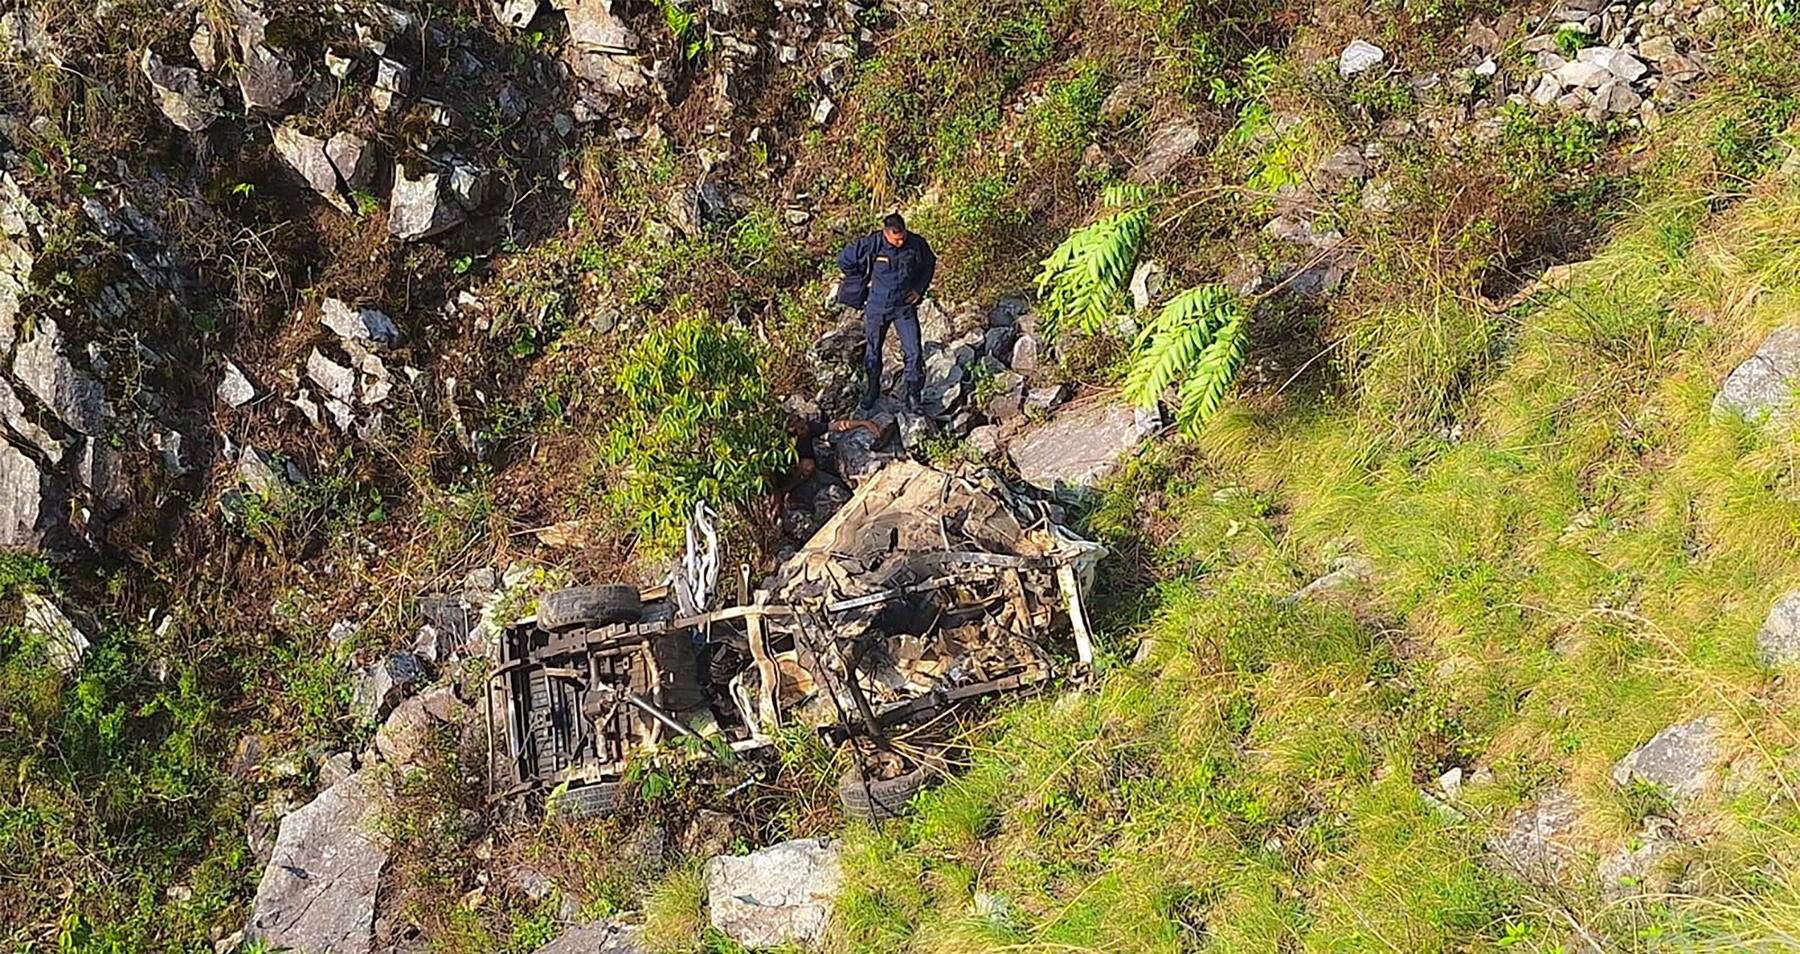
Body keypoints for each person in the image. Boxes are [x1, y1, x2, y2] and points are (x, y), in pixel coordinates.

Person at [837, 213, 937, 413]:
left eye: (903, 237)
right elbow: (844, 260)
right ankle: (873, 389)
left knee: (914, 351)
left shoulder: (916, 244)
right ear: (886, 233)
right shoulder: (872, 244)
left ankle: (913, 395)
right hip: (877, 306)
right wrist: (862, 280)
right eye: (896, 239)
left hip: (903, 307)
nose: (900, 242)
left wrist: (919, 289)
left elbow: (929, 264)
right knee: (873, 350)